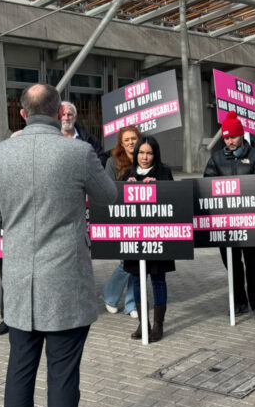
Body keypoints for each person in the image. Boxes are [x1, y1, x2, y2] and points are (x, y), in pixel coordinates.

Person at [0, 83, 117, 407]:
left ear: (21, 114)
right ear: (61, 112)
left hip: (21, 281)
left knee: (20, 371)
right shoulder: (78, 152)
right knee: (62, 375)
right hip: (65, 282)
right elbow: (109, 197)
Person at [204, 111, 255, 325]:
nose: (230, 141)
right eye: (226, 137)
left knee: (252, 264)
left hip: (249, 223)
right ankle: (240, 301)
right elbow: (208, 185)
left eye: (233, 137)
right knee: (231, 264)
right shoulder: (216, 159)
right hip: (225, 224)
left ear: (241, 135)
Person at [120, 135, 174, 341]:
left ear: (155, 154)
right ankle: (143, 323)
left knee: (159, 280)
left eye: (149, 153)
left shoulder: (164, 173)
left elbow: (174, 201)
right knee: (136, 279)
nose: (144, 157)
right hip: (135, 240)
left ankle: (158, 325)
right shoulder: (128, 174)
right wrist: (126, 187)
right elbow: (118, 205)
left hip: (158, 238)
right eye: (141, 152)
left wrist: (159, 186)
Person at [101, 126, 141, 317]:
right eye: (127, 140)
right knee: (128, 261)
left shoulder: (145, 157)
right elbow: (108, 189)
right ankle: (110, 295)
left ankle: (131, 304)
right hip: (123, 217)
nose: (131, 143)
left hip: (144, 217)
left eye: (134, 138)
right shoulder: (112, 162)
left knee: (140, 260)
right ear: (121, 143)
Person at [59, 101, 107, 166]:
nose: (66, 118)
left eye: (69, 114)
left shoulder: (89, 138)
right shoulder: (52, 137)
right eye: (63, 115)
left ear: (75, 118)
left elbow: (102, 158)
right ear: (59, 117)